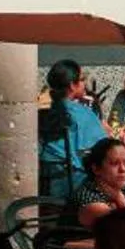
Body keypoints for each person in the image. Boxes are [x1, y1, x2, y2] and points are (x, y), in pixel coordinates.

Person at [37, 59, 107, 204]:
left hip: (45, 180)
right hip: (73, 184)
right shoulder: (82, 113)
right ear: (72, 85)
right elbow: (103, 147)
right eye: (82, 80)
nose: (85, 84)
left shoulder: (45, 112)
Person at [70, 137, 125, 229]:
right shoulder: (89, 199)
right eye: (114, 163)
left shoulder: (124, 191)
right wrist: (119, 199)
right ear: (96, 169)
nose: (123, 169)